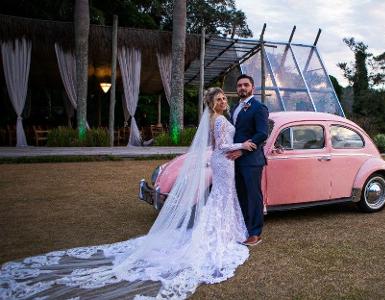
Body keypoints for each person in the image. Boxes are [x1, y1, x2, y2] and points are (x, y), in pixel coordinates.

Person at [0, 88, 257, 299]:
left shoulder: (214, 119)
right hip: (224, 162)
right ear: (212, 104)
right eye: (219, 99)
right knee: (223, 197)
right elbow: (222, 146)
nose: (223, 101)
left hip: (221, 162)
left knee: (221, 198)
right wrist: (243, 144)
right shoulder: (221, 119)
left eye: (224, 97)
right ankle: (223, 233)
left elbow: (214, 146)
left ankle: (223, 230)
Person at [227, 74, 269, 247]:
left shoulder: (259, 108)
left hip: (251, 160)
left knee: (253, 197)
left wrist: (241, 151)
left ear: (253, 88)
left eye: (245, 85)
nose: (242, 88)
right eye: (239, 85)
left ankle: (255, 233)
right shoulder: (235, 107)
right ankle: (244, 227)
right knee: (241, 195)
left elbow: (261, 134)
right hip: (234, 160)